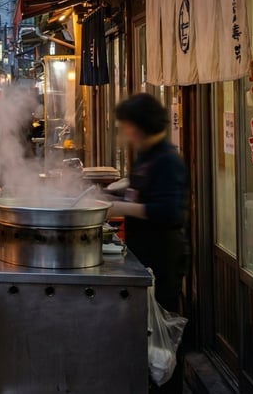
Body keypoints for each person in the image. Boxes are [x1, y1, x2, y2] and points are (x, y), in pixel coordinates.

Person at [107, 93, 189, 393]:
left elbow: (168, 212)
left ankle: (168, 388)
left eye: (126, 125)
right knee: (146, 329)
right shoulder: (146, 155)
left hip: (164, 255)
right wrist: (112, 197)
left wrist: (121, 208)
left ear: (139, 126)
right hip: (144, 255)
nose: (124, 132)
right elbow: (140, 193)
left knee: (163, 335)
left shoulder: (167, 160)